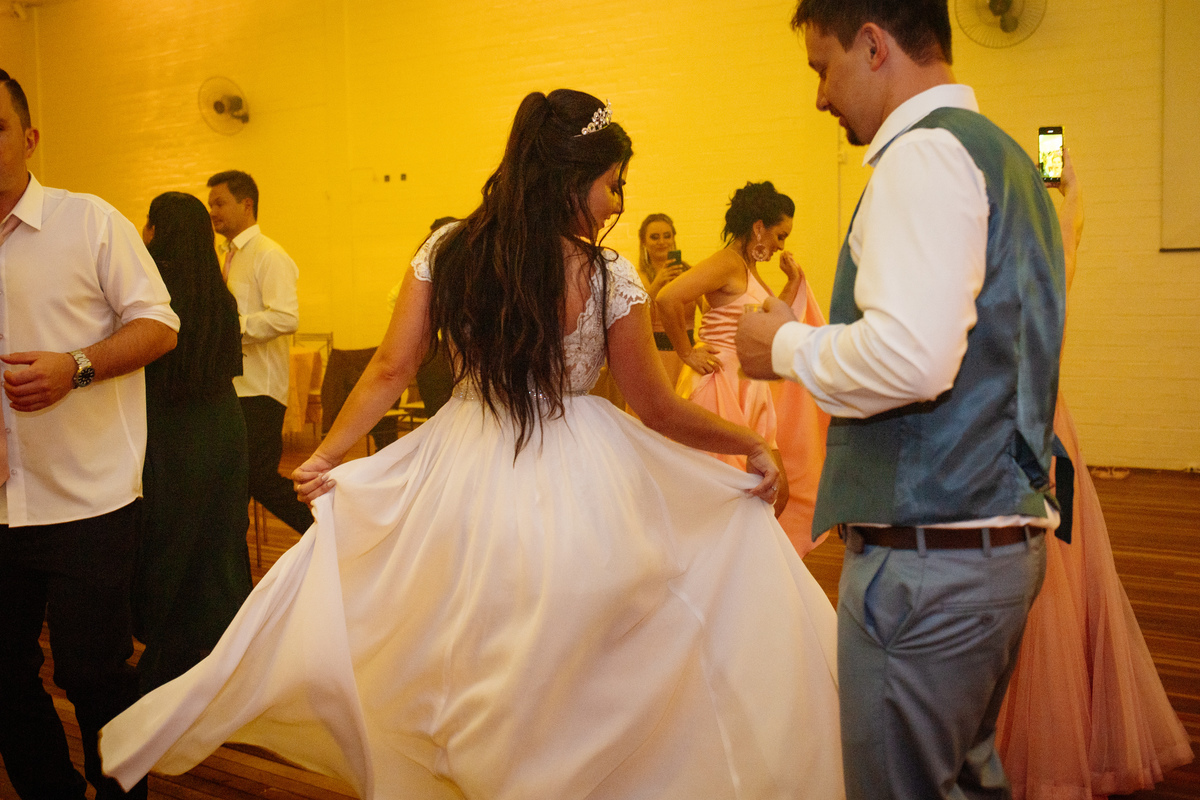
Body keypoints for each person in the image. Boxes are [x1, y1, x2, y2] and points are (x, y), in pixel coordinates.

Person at [100, 89, 845, 800]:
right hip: (579, 472)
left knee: (474, 640)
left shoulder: (451, 249)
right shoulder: (607, 274)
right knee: (575, 642)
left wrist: (328, 451)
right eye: (611, 185)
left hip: (461, 464)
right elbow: (654, 405)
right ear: (571, 180)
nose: (617, 203)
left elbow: (390, 370)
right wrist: (749, 442)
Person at [735, 2, 1066, 798]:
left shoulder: (923, 159)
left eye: (823, 66)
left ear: (875, 46)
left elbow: (913, 359)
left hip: (930, 564)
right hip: (989, 543)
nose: (819, 96)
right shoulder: (1010, 159)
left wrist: (782, 345)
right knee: (967, 776)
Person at [0, 68, 179, 800]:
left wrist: (75, 366)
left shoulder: (87, 220)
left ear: (29, 138)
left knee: (92, 670)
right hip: (3, 503)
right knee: (2, 674)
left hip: (87, 497)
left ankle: (122, 793)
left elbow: (159, 325)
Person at [995, 152, 1193, 799]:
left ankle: (1034, 742)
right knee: (1061, 577)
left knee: (1039, 589)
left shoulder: (988, 282)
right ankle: (1058, 731)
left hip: (1021, 440)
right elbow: (1073, 228)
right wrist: (1069, 190)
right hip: (1055, 439)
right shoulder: (1050, 269)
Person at [658, 182, 833, 554]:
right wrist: (686, 351)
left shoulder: (748, 268)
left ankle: (739, 571)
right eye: (780, 235)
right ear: (758, 227)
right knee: (732, 493)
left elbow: (765, 322)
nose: (782, 245)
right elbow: (668, 297)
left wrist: (793, 283)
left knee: (771, 492)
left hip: (749, 391)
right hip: (721, 388)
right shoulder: (727, 261)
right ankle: (717, 574)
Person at [133, 191, 252, 694]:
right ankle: (229, 653)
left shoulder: (151, 294)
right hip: (223, 423)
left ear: (160, 231)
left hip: (173, 428)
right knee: (221, 540)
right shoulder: (218, 292)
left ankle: (168, 659)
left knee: (169, 541)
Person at [207, 169, 312, 534]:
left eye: (220, 203)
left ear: (246, 203)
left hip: (261, 388)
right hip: (235, 386)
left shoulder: (268, 254)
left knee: (258, 478)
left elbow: (286, 318)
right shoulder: (229, 255)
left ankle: (324, 527)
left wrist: (230, 329)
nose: (213, 212)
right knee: (236, 479)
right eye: (210, 205)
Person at [635, 213, 694, 386]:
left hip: (687, 358)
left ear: (674, 238)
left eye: (667, 236)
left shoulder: (690, 273)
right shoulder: (637, 276)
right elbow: (635, 317)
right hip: (654, 358)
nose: (662, 242)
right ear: (644, 242)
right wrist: (658, 283)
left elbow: (707, 309)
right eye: (654, 237)